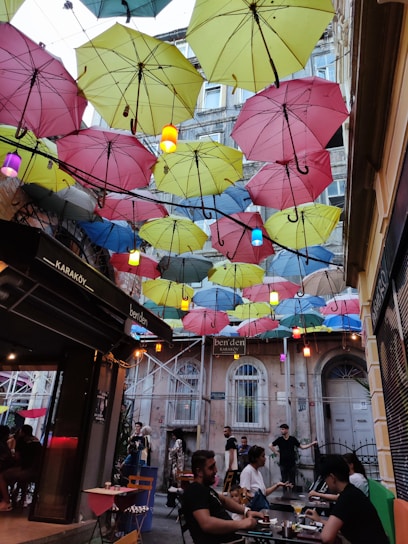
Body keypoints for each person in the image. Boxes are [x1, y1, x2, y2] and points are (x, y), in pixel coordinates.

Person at [182, 449, 262, 544]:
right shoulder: (195, 491)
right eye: (211, 467)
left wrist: (247, 511)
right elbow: (207, 524)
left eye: (215, 465)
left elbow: (224, 500)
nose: (216, 470)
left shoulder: (206, 489)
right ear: (199, 472)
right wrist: (241, 524)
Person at [304, 454, 388, 544]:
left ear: (332, 478)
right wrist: (320, 520)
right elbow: (344, 530)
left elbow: (326, 537)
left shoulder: (347, 498)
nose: (326, 483)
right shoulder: (352, 492)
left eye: (325, 479)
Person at [0, 424, 42, 511]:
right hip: (38, 470)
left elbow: (17, 457)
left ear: (22, 432)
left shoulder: (21, 440)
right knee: (19, 478)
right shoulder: (36, 441)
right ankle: (21, 499)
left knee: (2, 476)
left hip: (26, 470)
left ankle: (6, 501)